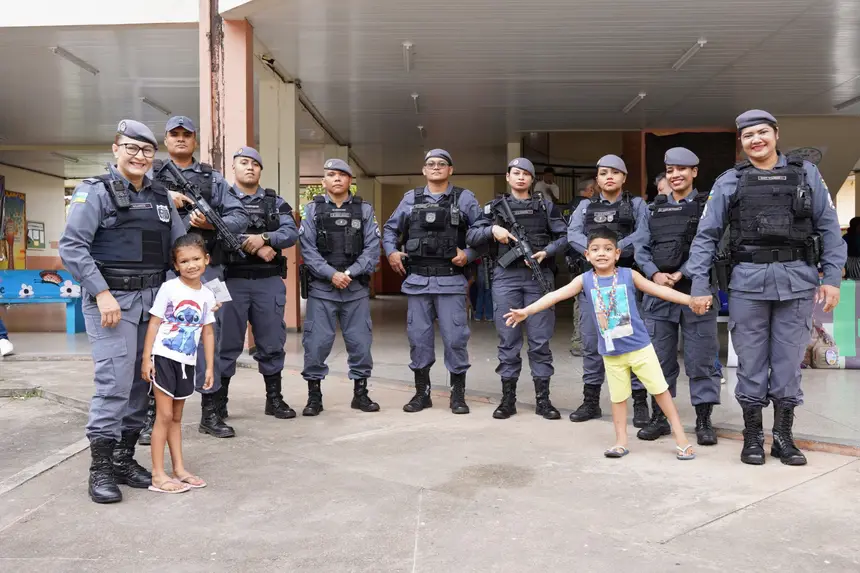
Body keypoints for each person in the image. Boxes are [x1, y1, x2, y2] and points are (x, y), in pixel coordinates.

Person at [687, 109, 846, 466]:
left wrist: (832, 278)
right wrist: (699, 284)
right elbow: (706, 236)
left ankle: (785, 438)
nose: (755, 140)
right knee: (752, 364)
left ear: (776, 134)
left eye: (761, 132)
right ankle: (754, 436)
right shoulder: (730, 180)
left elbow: (829, 229)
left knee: (789, 363)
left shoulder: (807, 174)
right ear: (741, 143)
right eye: (747, 136)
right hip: (747, 285)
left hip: (798, 282)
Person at [59, 119, 186, 504]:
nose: (139, 156)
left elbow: (182, 248)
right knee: (113, 383)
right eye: (131, 148)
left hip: (154, 303)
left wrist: (202, 293)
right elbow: (72, 247)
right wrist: (100, 293)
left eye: (147, 150)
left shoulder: (162, 196)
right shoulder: (94, 192)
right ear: (116, 149)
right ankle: (99, 470)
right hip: (112, 303)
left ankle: (122, 459)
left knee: (141, 383)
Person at [505, 228, 701, 460]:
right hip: (612, 352)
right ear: (587, 255)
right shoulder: (585, 280)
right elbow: (555, 296)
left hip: (640, 348)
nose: (602, 254)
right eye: (595, 249)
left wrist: (690, 300)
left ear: (617, 254)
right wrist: (526, 311)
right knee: (618, 398)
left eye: (608, 249)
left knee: (660, 391)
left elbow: (660, 291)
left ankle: (681, 439)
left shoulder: (629, 275)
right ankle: (620, 442)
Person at [145, 116, 248, 442]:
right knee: (157, 339)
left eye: (185, 134)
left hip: (208, 271)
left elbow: (239, 215)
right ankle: (152, 415)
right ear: (165, 139)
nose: (179, 139)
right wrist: (165, 198)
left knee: (211, 338)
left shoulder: (212, 179)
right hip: (162, 270)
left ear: (194, 139)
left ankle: (211, 412)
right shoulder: (149, 175)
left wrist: (211, 226)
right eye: (173, 134)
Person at [383, 149, 484, 414]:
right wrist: (391, 252)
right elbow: (390, 229)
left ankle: (458, 395)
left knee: (455, 339)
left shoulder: (464, 198)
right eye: (431, 164)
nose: (436, 167)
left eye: (442, 164)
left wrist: (469, 254)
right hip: (418, 281)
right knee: (419, 338)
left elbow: (482, 231)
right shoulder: (410, 199)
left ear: (450, 170)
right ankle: (421, 394)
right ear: (424, 170)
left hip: (451, 281)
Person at [467, 157, 568, 420]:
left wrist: (547, 251)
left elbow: (565, 236)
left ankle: (543, 400)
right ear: (508, 177)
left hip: (539, 278)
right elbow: (471, 236)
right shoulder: (493, 208)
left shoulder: (545, 207)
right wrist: (493, 230)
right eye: (516, 173)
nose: (521, 177)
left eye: (526, 174)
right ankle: (508, 399)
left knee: (540, 341)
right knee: (508, 340)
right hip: (506, 277)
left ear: (532, 179)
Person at [635, 147, 721, 446]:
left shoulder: (707, 206)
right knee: (658, 360)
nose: (675, 175)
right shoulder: (653, 208)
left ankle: (703, 419)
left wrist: (680, 273)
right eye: (670, 170)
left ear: (694, 172)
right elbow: (641, 247)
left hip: (696, 290)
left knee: (701, 360)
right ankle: (660, 418)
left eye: (682, 169)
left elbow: (710, 245)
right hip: (659, 293)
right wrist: (654, 274)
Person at [567, 155, 651, 427]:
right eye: (603, 173)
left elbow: (642, 235)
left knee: (633, 343)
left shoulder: (636, 204)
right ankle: (590, 401)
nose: (609, 177)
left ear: (624, 177)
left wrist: (612, 252)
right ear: (597, 179)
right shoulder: (585, 206)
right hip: (594, 282)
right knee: (592, 344)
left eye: (615, 172)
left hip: (626, 280)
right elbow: (573, 235)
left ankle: (639, 404)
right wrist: (597, 253)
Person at [218, 147, 300, 422]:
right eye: (244, 163)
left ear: (260, 170)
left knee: (272, 341)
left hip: (267, 283)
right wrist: (251, 246)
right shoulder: (221, 199)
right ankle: (218, 402)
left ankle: (274, 399)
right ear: (234, 168)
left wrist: (265, 238)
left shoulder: (274, 202)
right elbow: (214, 230)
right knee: (225, 343)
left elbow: (290, 232)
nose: (250, 168)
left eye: (255, 164)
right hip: (230, 281)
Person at [299, 158, 381, 415]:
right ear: (323, 181)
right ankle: (314, 397)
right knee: (316, 343)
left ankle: (361, 394)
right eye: (331, 174)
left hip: (355, 289)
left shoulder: (364, 210)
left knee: (360, 342)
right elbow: (308, 250)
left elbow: (372, 249)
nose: (336, 179)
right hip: (322, 290)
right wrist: (331, 274)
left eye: (342, 175)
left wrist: (349, 273)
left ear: (350, 181)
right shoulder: (312, 210)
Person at [141, 234, 216, 494]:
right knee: (163, 416)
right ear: (176, 265)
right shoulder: (169, 288)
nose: (191, 265)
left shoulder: (207, 294)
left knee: (177, 417)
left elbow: (207, 332)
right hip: (163, 358)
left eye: (196, 259)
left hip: (187, 362)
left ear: (206, 260)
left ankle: (179, 469)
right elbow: (154, 322)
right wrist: (146, 358)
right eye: (184, 261)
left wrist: (209, 367)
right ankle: (158, 474)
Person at [565, 178, 596, 356]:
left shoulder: (570, 207)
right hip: (585, 260)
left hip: (575, 259)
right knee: (583, 304)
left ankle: (579, 341)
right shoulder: (587, 206)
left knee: (579, 303)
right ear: (590, 190)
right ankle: (579, 342)